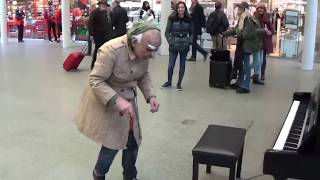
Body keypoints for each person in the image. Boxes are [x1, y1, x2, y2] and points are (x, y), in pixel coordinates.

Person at [74, 22, 161, 180]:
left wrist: (151, 96)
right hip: (109, 100)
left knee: (133, 142)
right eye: (148, 49)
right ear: (134, 41)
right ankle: (99, 175)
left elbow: (143, 74)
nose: (151, 55)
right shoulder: (111, 50)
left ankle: (130, 175)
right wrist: (117, 100)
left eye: (154, 50)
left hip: (129, 102)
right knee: (111, 146)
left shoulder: (144, 52)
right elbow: (95, 80)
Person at [222, 2, 267, 93]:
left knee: (246, 65)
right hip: (243, 45)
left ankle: (246, 86)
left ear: (245, 9)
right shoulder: (243, 18)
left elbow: (246, 34)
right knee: (242, 65)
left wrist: (239, 32)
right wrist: (224, 34)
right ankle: (240, 82)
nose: (239, 11)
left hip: (247, 46)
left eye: (241, 9)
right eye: (239, 9)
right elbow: (237, 29)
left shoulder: (247, 19)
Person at [161, 1, 193, 91]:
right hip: (173, 45)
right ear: (176, 9)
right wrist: (171, 42)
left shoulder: (189, 19)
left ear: (185, 9)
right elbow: (167, 32)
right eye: (179, 7)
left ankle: (179, 84)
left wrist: (188, 42)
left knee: (182, 65)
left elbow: (192, 33)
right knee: (171, 65)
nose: (180, 9)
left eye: (182, 7)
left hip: (184, 45)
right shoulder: (171, 18)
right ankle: (169, 81)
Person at [88, 0, 113, 69]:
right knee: (97, 49)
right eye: (103, 5)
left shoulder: (105, 13)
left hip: (105, 34)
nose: (104, 6)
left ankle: (101, 64)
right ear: (100, 5)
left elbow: (108, 23)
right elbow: (90, 24)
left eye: (105, 5)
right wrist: (91, 35)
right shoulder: (95, 12)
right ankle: (93, 65)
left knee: (104, 50)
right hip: (97, 34)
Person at [255, 4, 274, 81]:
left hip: (264, 42)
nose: (261, 10)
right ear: (257, 9)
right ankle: (255, 74)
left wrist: (270, 32)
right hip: (255, 41)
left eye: (263, 8)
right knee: (256, 59)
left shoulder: (266, 19)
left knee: (263, 60)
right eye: (260, 8)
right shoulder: (253, 18)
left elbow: (272, 29)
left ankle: (262, 74)